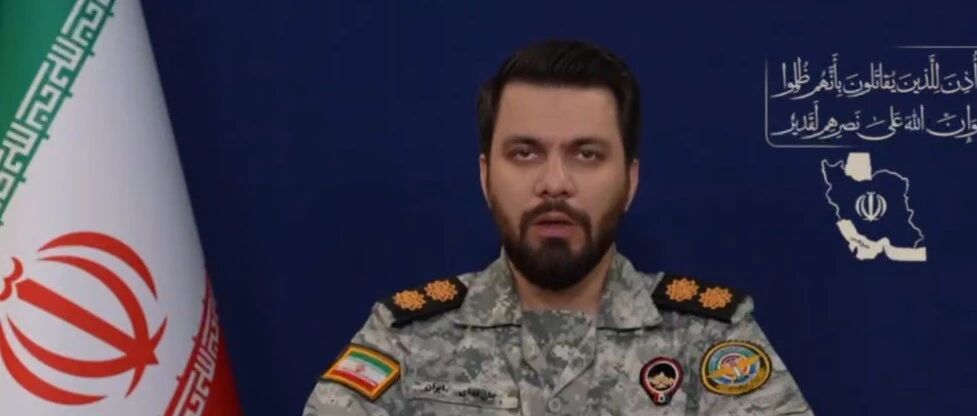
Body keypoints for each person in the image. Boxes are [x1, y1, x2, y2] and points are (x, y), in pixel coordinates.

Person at [303, 39, 813, 415]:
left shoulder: (707, 339)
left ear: (630, 181)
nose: (554, 183)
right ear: (485, 176)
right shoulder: (406, 339)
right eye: (525, 153)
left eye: (586, 154)